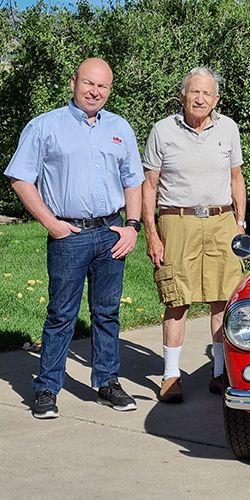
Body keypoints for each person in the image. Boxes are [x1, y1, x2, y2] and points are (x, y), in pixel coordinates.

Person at [4, 58, 145, 419]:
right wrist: (51, 224)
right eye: (88, 83)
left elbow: (133, 179)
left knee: (108, 313)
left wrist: (132, 225)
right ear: (73, 82)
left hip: (112, 232)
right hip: (70, 234)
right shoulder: (45, 126)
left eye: (103, 86)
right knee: (61, 315)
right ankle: (47, 388)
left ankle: (106, 383)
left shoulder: (119, 127)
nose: (95, 91)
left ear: (110, 90)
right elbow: (20, 178)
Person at [142, 67, 246, 404]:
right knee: (177, 300)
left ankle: (219, 373)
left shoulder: (228, 128)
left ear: (216, 99)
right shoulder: (162, 131)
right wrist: (152, 234)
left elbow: (236, 179)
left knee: (223, 298)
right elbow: (150, 185)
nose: (200, 99)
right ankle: (171, 376)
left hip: (221, 221)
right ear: (183, 96)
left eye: (206, 94)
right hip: (178, 221)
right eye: (194, 92)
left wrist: (240, 224)